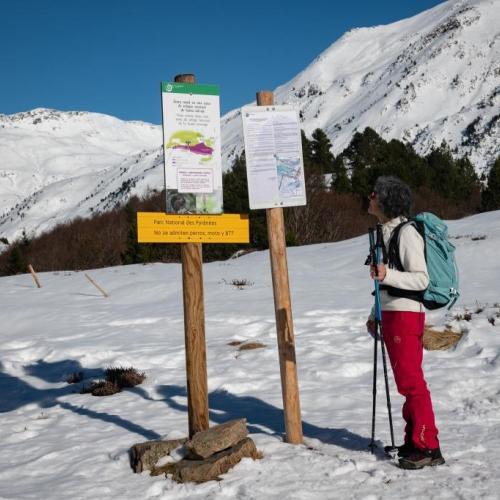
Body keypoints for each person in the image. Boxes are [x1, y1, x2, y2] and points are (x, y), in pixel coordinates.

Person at [366, 175, 445, 470]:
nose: (369, 197)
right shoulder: (385, 232)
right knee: (406, 382)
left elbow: (421, 278)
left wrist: (387, 275)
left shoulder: (406, 232)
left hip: (406, 314)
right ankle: (416, 440)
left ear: (387, 200)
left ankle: (427, 445)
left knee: (412, 382)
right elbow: (384, 281)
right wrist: (375, 314)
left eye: (375, 193)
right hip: (392, 313)